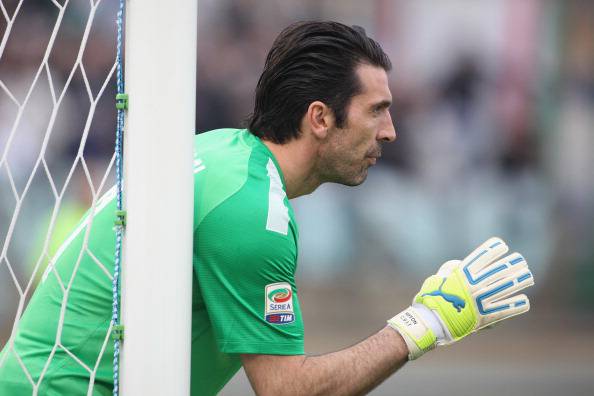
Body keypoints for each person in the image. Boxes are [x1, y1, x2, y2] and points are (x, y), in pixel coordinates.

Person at [0, 21, 534, 395]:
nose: (391, 132)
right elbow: (288, 390)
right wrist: (426, 324)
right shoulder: (253, 212)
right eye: (376, 111)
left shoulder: (221, 151)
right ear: (320, 118)